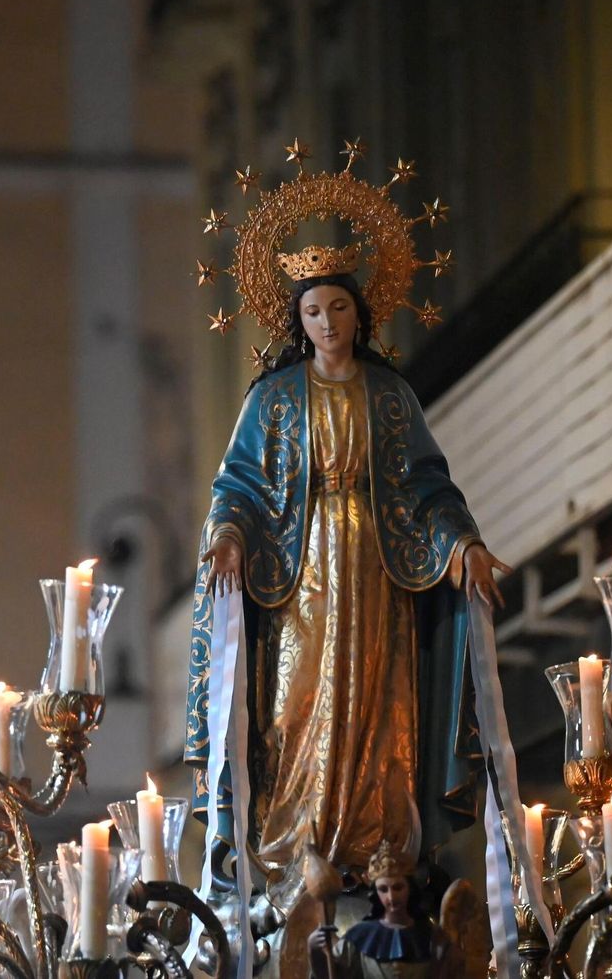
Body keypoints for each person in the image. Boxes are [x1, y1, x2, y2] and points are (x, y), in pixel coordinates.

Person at [183, 246, 508, 893]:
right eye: (312, 310)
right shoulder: (273, 399)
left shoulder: (390, 394)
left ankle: (380, 846)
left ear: (359, 314)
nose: (327, 321)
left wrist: (461, 544)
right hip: (297, 578)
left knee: (380, 705)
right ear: (296, 321)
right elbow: (238, 486)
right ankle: (295, 845)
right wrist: (227, 536)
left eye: (337, 307)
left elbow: (427, 486)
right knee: (295, 705)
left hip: (377, 572)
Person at [306, 840, 463, 978]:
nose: (391, 897)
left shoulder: (432, 936)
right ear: (375, 892)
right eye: (383, 889)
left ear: (410, 888)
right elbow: (334, 974)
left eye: (398, 887)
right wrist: (315, 951)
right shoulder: (360, 936)